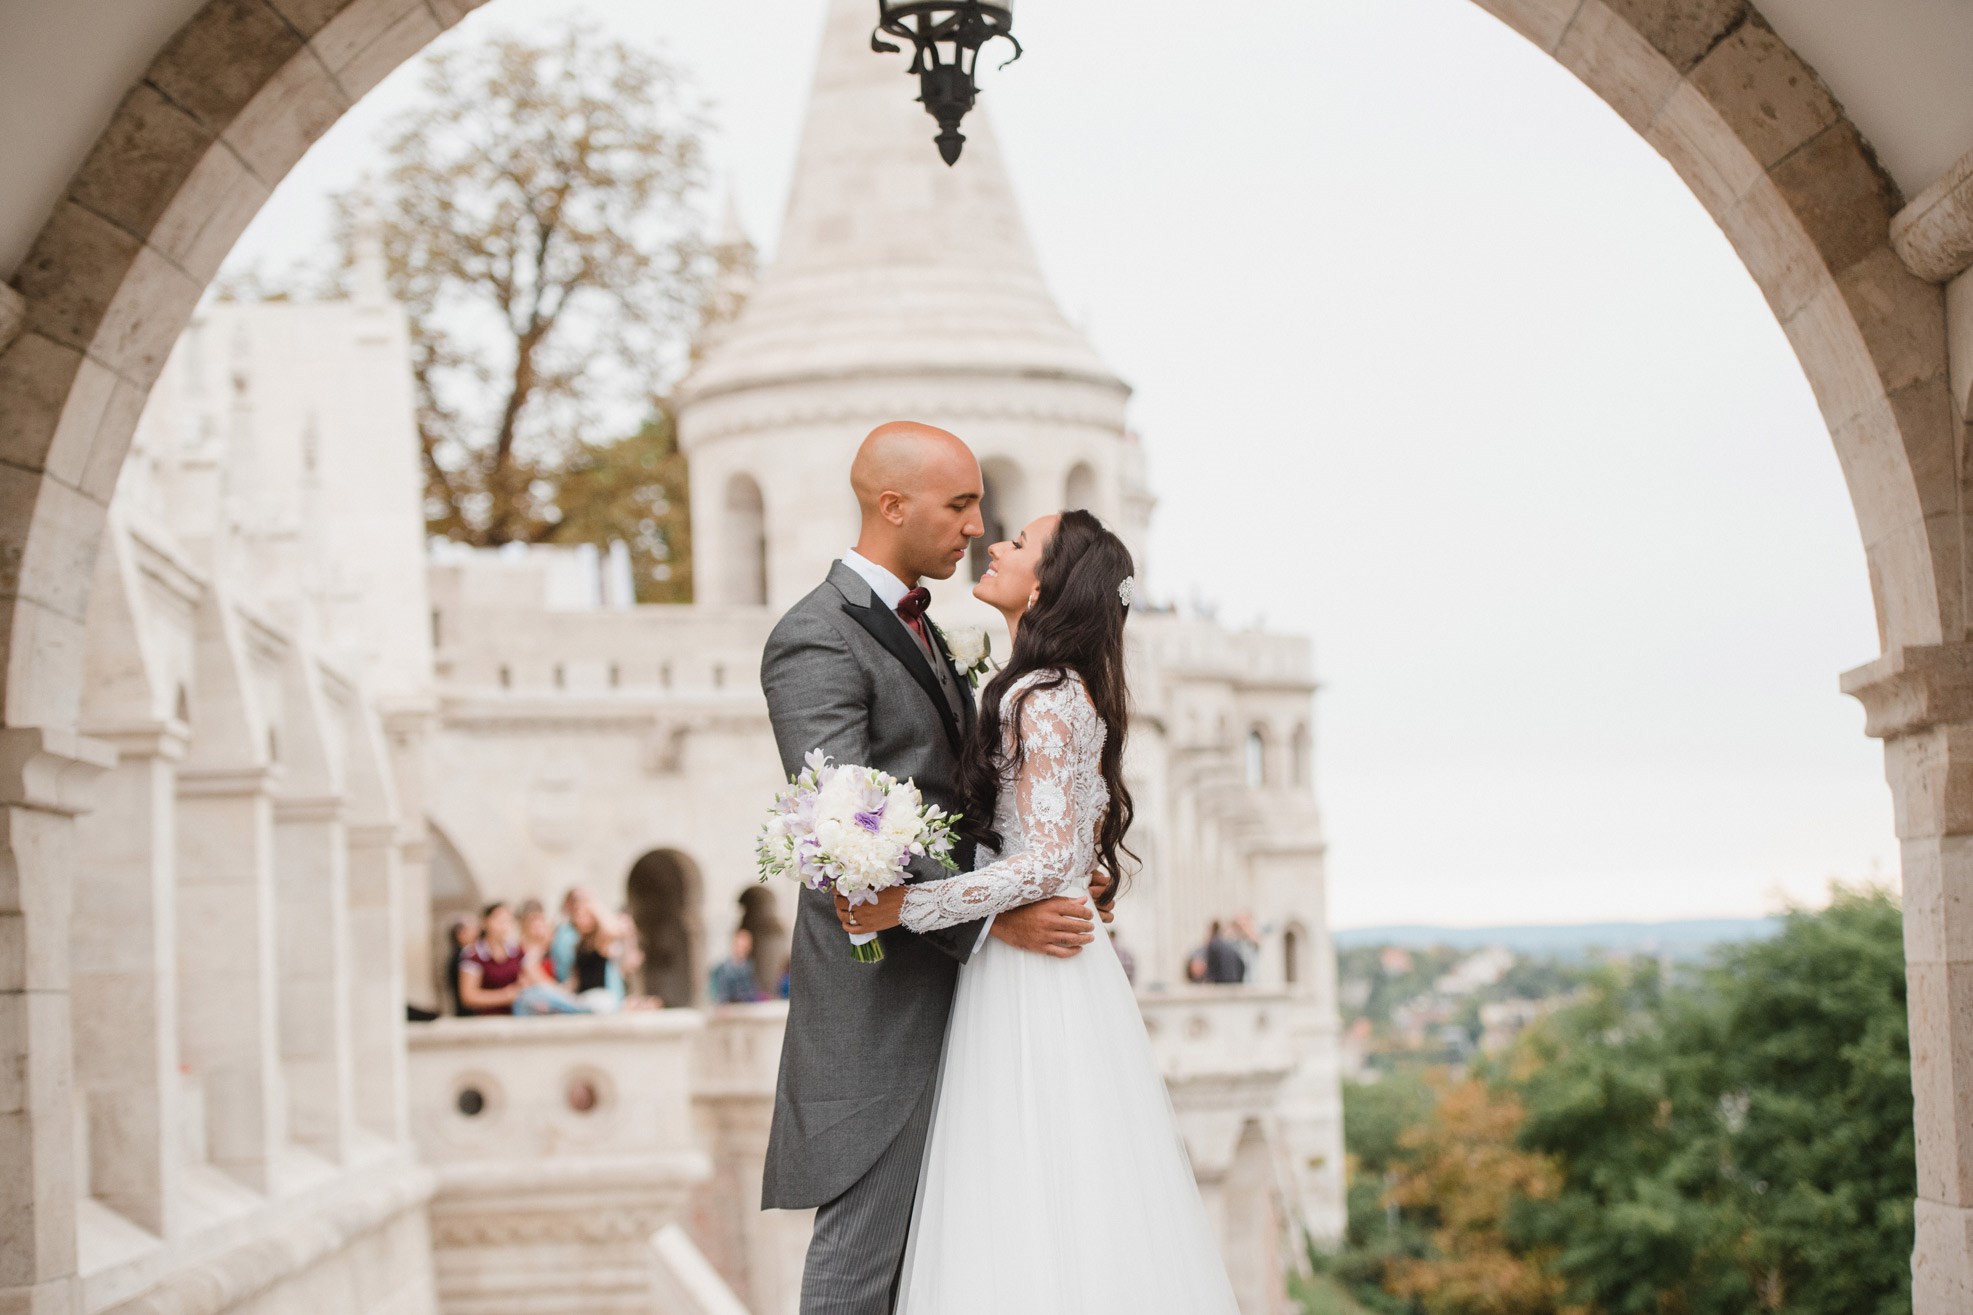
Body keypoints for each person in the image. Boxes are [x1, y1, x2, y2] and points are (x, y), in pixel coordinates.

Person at [840, 508, 1238, 1313]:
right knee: (1061, 1176)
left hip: (1031, 974)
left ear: (1049, 582)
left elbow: (1050, 857)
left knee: (1020, 1173)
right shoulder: (1063, 687)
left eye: (1018, 543)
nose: (994, 544)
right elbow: (1067, 847)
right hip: (1042, 959)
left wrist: (906, 906)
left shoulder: (1041, 694)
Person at [758, 422, 1110, 1314]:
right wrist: (1001, 912)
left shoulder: (931, 632)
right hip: (885, 1000)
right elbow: (854, 820)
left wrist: (1048, 871)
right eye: (958, 505)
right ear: (892, 504)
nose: (974, 526)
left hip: (964, 986)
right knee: (862, 1255)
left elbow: (963, 803)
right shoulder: (816, 637)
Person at [457, 902, 525, 1015]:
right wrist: (505, 996)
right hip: (486, 1017)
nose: (504, 926)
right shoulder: (473, 955)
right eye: (499, 920)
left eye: (508, 921)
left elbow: (532, 978)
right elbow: (468, 996)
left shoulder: (517, 951)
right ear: (485, 922)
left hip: (516, 1014)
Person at [710, 928, 763, 1004]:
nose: (742, 950)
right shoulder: (724, 968)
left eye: (745, 947)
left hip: (747, 1006)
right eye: (740, 946)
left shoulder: (749, 966)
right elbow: (722, 993)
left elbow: (752, 989)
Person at [444, 912, 479, 1016]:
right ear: (460, 934)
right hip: (468, 1013)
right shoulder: (464, 956)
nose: (477, 933)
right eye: (472, 929)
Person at [1203, 919, 1247, 984]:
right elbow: (1242, 965)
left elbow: (1211, 968)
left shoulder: (1213, 945)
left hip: (1221, 983)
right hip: (1234, 981)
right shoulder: (1232, 946)